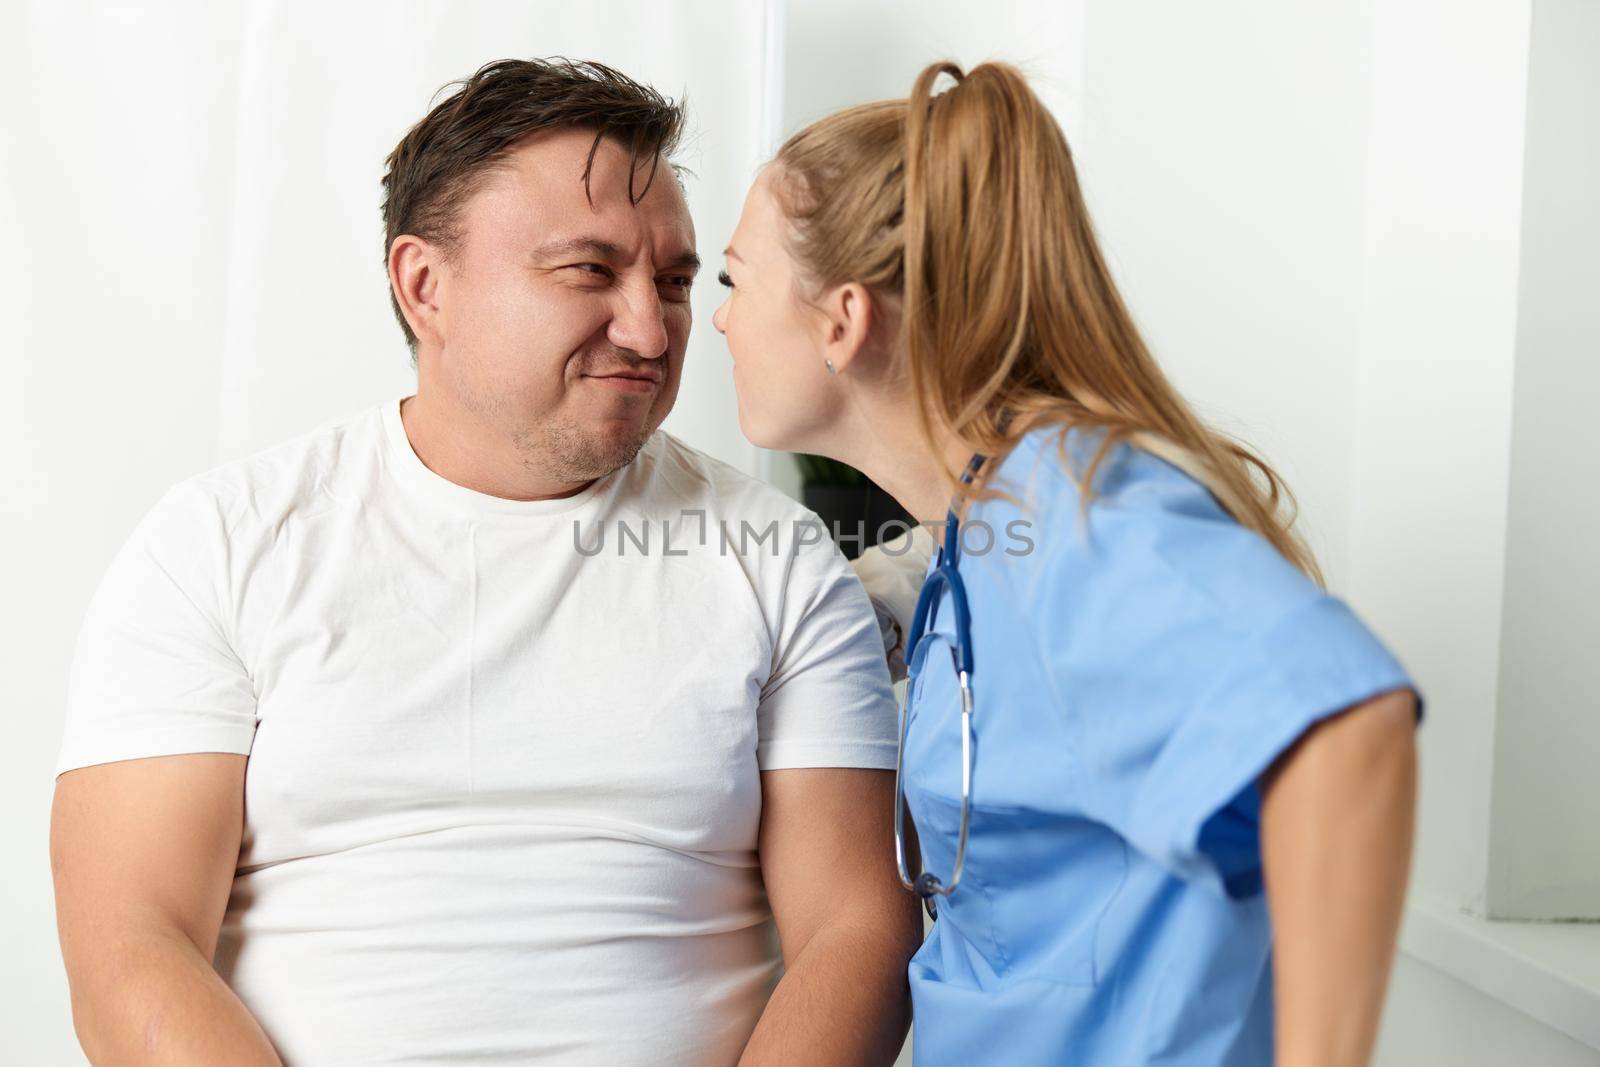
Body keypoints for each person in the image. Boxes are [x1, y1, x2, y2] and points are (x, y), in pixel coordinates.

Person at [50, 58, 921, 1066]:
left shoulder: (773, 555)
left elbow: (855, 929)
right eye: (589, 270)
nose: (648, 327)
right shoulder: (222, 540)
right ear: (426, 286)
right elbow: (131, 942)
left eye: (676, 282)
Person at [714, 60, 1420, 1066]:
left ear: (841, 320)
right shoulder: (984, 527)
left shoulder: (1080, 511)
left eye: (734, 279)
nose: (719, 319)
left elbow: (1348, 725)